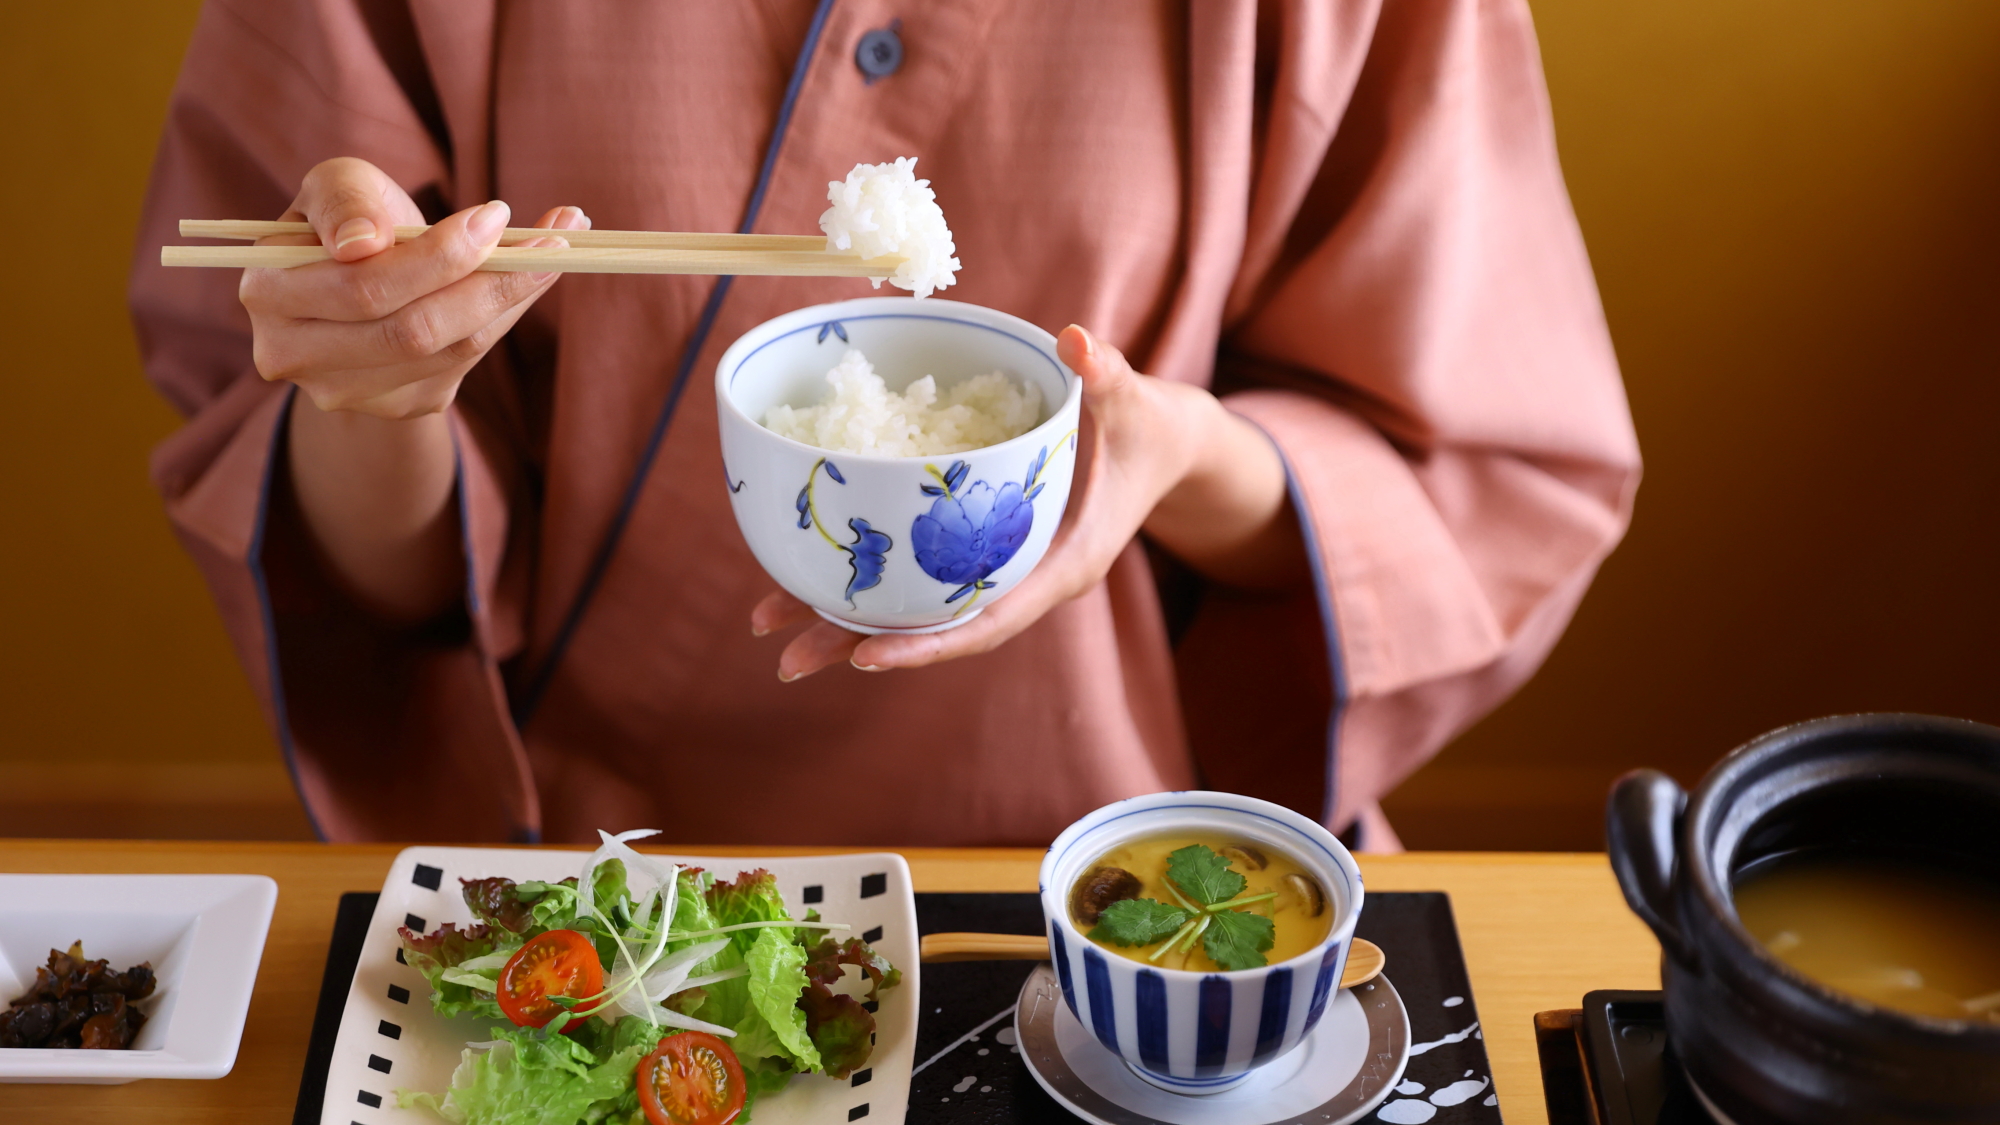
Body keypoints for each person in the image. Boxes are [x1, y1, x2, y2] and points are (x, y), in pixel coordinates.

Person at [131, 0, 1639, 847]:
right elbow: (383, 592)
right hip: (596, 866)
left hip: (1125, 879)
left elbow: (1471, 479)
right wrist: (377, 381)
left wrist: (1180, 458)